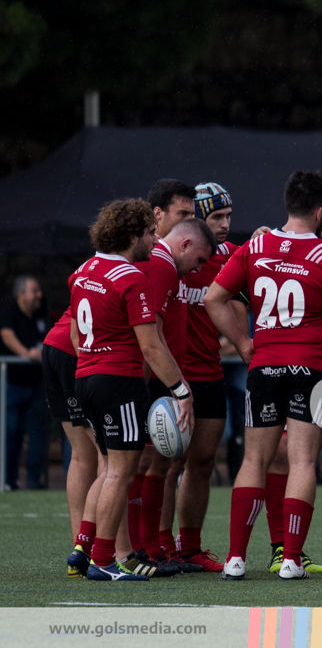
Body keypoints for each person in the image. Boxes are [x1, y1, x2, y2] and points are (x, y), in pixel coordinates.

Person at [207, 170, 322, 581]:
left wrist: (245, 344)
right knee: (301, 460)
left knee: (255, 459)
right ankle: (292, 559)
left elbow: (214, 297)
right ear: (320, 211)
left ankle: (236, 559)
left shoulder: (255, 245)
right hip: (310, 370)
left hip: (266, 365)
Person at [67, 199, 197, 581]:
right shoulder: (131, 278)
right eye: (149, 232)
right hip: (118, 382)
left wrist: (94, 362)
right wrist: (181, 390)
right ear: (131, 236)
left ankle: (88, 549)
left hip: (86, 378)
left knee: (109, 468)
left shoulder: (83, 270)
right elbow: (152, 346)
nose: (156, 238)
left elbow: (76, 332)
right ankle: (104, 560)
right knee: (120, 474)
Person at [174, 182, 249, 573]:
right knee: (167, 465)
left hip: (209, 373)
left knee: (202, 463)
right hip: (172, 378)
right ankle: (156, 547)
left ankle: (189, 547)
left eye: (228, 216)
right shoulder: (172, 256)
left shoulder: (232, 257)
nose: (224, 224)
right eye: (216, 217)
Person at [131, 180, 201, 575]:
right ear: (157, 215)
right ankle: (132, 550)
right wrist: (163, 385)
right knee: (135, 467)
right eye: (182, 214)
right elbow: (149, 336)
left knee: (157, 465)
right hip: (148, 377)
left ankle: (152, 546)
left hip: (160, 375)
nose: (188, 221)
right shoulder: (158, 263)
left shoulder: (165, 260)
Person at [44, 270, 100, 575]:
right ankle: (102, 549)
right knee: (110, 456)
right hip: (75, 352)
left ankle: (80, 549)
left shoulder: (90, 267)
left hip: (56, 344)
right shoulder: (142, 261)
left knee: (83, 455)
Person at [1, 275, 49, 490]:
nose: (39, 295)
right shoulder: (9, 311)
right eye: (34, 291)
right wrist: (27, 354)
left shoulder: (41, 315)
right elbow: (7, 336)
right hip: (11, 384)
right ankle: (7, 479)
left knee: (35, 433)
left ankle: (32, 480)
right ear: (21, 294)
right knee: (10, 432)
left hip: (37, 386)